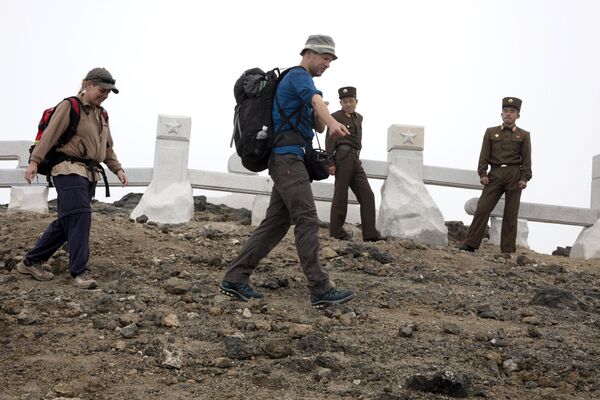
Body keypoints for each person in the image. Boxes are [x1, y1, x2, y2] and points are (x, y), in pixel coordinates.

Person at [219, 34, 355, 308]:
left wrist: (322, 113)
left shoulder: (305, 85)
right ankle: (320, 288)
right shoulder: (298, 76)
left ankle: (234, 279)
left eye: (331, 60)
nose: (328, 64)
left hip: (291, 160)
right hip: (287, 161)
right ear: (309, 53)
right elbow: (319, 114)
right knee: (306, 218)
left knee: (277, 223)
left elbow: (315, 124)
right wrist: (332, 122)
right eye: (325, 58)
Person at [16, 67, 128, 289]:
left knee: (67, 220)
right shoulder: (70, 106)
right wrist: (34, 161)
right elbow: (50, 135)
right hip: (67, 168)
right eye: (102, 89)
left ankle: (31, 261)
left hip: (89, 174)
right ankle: (80, 272)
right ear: (87, 84)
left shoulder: (102, 114)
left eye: (109, 92)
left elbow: (107, 148)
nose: (105, 95)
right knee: (81, 216)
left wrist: (118, 169)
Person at [458, 97, 531, 253]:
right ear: (501, 114)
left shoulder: (524, 135)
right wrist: (482, 173)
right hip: (495, 173)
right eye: (506, 111)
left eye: (512, 111)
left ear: (518, 115)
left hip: (514, 174)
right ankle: (470, 243)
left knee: (511, 213)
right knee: (483, 208)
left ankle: (507, 249)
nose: (508, 114)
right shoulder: (491, 132)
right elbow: (484, 154)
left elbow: (527, 158)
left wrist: (525, 177)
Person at [326, 86, 383, 242]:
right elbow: (330, 139)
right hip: (342, 157)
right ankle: (336, 232)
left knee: (367, 195)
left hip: (355, 158)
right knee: (341, 194)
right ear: (341, 103)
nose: (348, 104)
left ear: (356, 101)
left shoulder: (359, 117)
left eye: (351, 101)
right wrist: (330, 162)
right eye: (345, 102)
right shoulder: (335, 116)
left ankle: (370, 234)